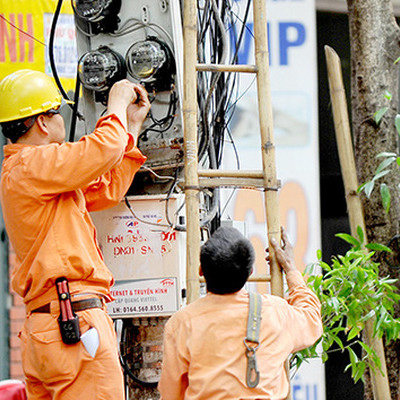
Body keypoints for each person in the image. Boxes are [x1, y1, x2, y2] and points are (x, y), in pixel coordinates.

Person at [0, 69, 151, 400]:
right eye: (57, 112)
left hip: (48, 328)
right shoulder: (33, 164)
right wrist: (116, 103)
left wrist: (133, 126)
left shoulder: (32, 173)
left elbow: (105, 188)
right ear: (42, 121)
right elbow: (103, 149)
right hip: (72, 322)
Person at [158, 226, 323, 400]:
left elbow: (171, 393)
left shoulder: (181, 324)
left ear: (201, 271)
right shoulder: (275, 312)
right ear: (250, 272)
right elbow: (312, 318)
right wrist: (290, 268)